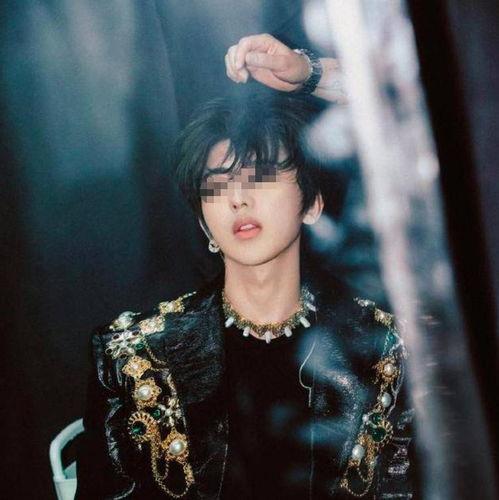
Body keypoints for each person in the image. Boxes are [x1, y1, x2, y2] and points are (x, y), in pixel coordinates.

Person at [76, 34, 416, 499]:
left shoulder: (387, 351)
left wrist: (312, 73)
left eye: (263, 175)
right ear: (203, 218)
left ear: (312, 203)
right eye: (217, 185)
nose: (238, 198)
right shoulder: (134, 359)